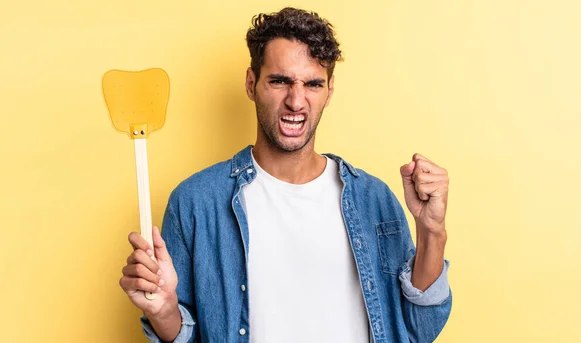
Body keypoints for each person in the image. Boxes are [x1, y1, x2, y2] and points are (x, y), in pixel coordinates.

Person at [120, 7, 452, 343]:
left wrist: (432, 230)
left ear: (330, 90)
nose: (296, 100)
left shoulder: (373, 199)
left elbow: (419, 330)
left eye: (312, 84)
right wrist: (163, 312)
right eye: (280, 81)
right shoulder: (196, 202)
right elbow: (186, 335)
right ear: (251, 83)